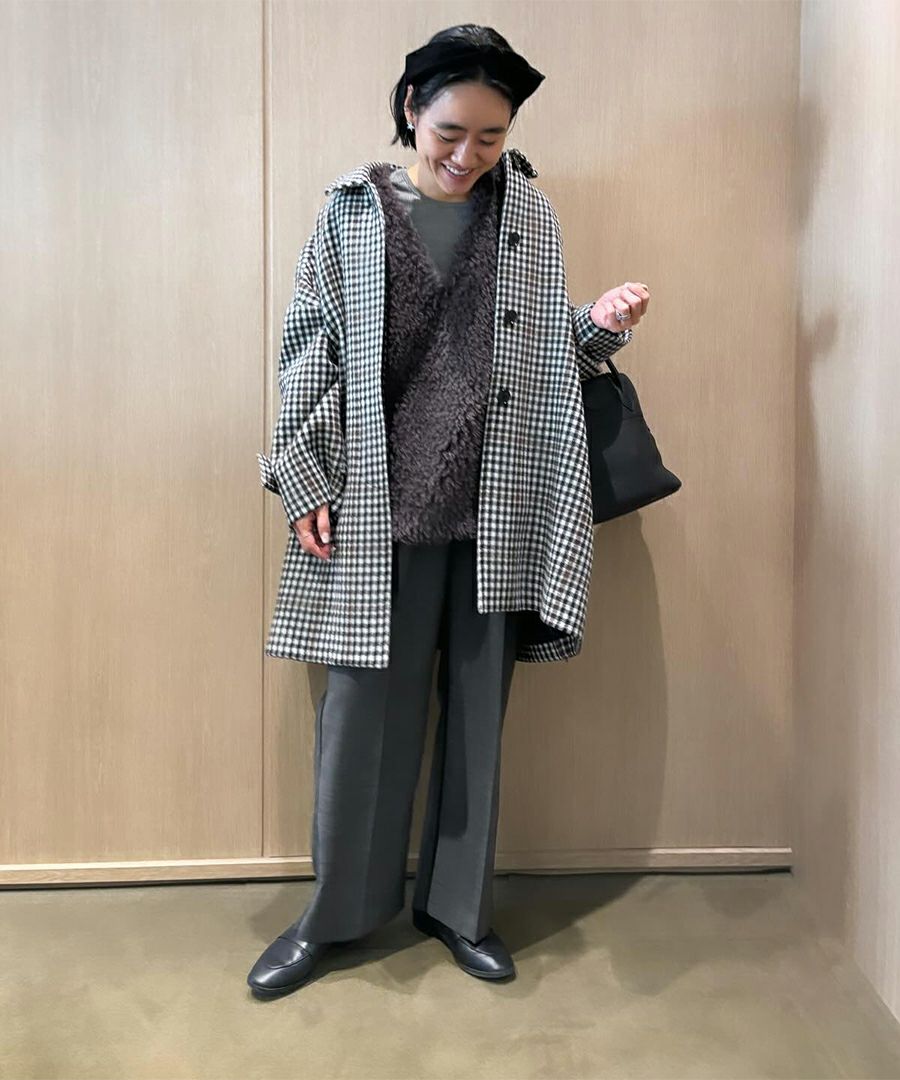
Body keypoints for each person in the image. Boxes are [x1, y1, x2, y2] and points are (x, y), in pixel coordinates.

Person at [247, 23, 650, 1000]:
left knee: (478, 720)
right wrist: (303, 477)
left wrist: (596, 329)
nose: (469, 154)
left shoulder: (530, 216)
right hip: (376, 511)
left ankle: (460, 911)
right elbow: (308, 348)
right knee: (360, 724)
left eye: (492, 136)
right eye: (451, 132)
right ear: (410, 112)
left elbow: (537, 359)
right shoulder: (351, 213)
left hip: (497, 505)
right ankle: (335, 916)